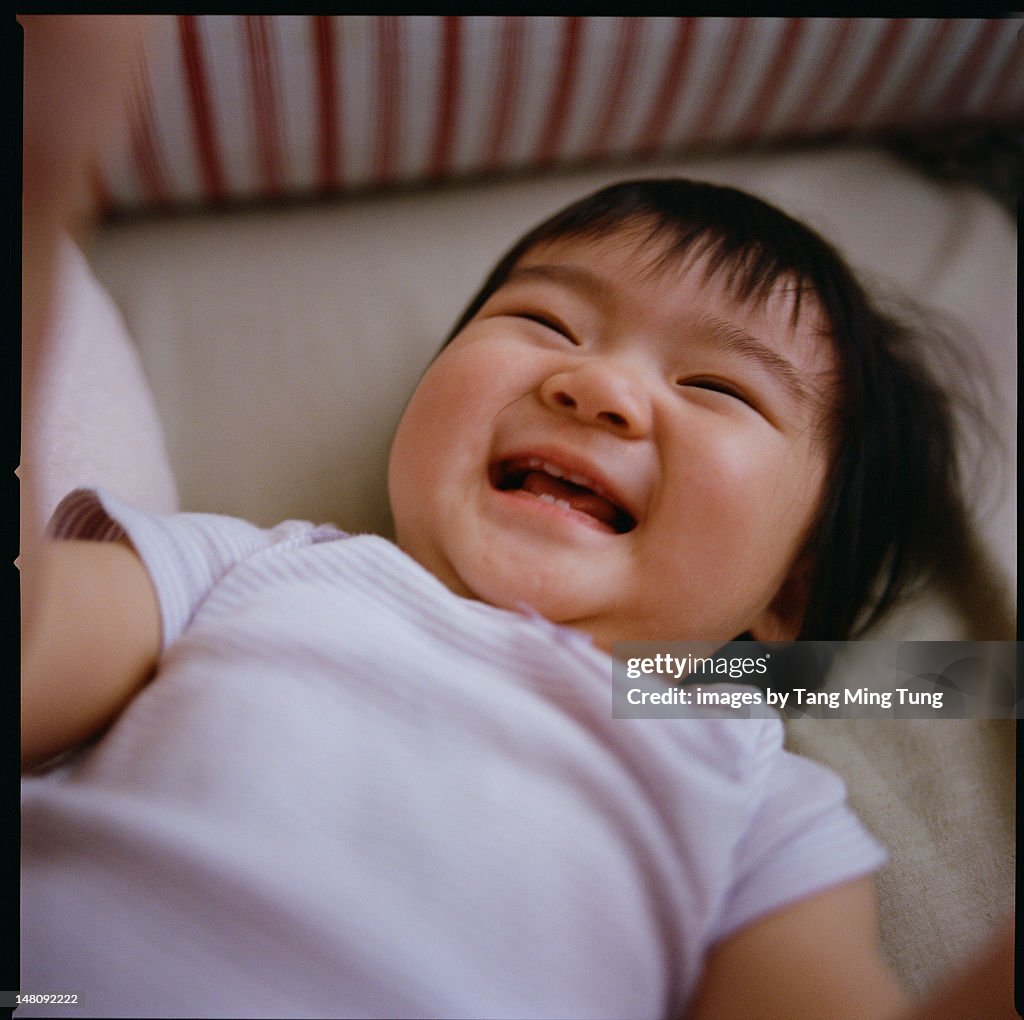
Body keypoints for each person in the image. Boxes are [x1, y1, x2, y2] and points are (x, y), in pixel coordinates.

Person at [19, 17, 1015, 1020]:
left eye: (717, 387)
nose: (595, 386)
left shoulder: (752, 797)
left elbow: (951, 693)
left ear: (787, 598)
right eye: (545, 322)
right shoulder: (253, 568)